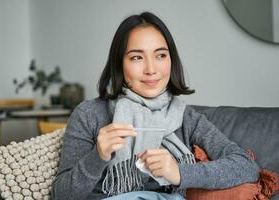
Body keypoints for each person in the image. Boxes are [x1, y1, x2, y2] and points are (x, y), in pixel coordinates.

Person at [52, 12, 259, 200]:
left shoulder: (185, 118)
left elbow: (246, 166)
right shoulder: (89, 115)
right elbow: (61, 195)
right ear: (119, 64)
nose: (151, 69)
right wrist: (98, 156)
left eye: (160, 55)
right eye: (137, 57)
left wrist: (178, 172)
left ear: (171, 60)